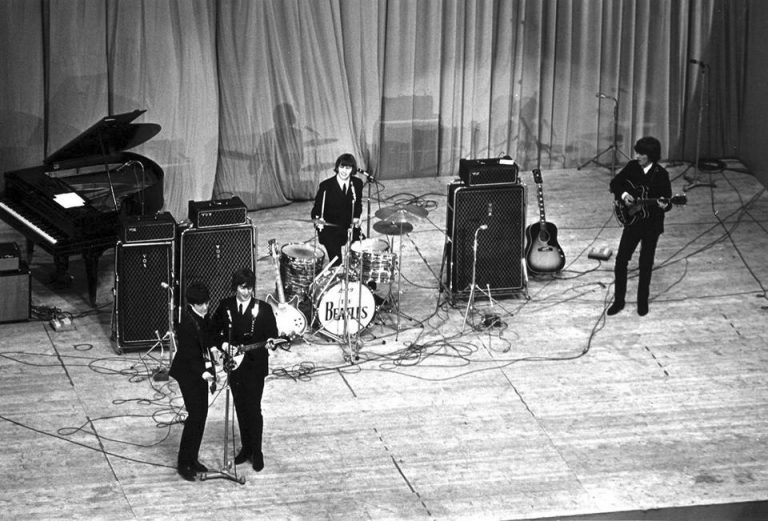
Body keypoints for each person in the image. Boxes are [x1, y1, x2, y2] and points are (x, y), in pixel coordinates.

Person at [211, 267, 278, 471]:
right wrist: (223, 345)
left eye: (249, 288)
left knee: (254, 409)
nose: (246, 292)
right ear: (235, 287)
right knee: (240, 407)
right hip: (234, 366)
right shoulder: (225, 307)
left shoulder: (264, 309)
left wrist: (271, 343)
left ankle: (257, 451)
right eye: (242, 288)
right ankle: (246, 448)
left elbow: (272, 334)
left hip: (255, 366)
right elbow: (213, 332)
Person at [607, 136, 673, 317]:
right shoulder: (632, 167)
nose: (637, 156)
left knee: (646, 263)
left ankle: (642, 302)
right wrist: (624, 195)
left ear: (650, 156)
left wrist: (665, 205)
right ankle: (618, 301)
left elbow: (668, 202)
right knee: (621, 261)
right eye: (637, 152)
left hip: (652, 225)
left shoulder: (661, 175)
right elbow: (615, 184)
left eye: (641, 154)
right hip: (632, 223)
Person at [169, 281, 216, 481]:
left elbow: (207, 343)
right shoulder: (187, 324)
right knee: (195, 416)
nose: (204, 307)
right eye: (200, 304)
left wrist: (214, 358)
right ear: (191, 304)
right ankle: (183, 462)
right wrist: (205, 373)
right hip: (188, 373)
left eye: (206, 303)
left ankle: (193, 458)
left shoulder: (204, 317)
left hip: (201, 371)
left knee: (201, 415)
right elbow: (189, 355)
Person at [310, 153, 364, 267]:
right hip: (331, 230)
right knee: (337, 264)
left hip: (349, 227)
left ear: (352, 169)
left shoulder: (357, 184)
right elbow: (316, 210)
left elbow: (358, 204)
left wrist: (357, 217)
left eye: (348, 168)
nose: (344, 171)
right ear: (337, 167)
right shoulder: (326, 186)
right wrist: (318, 221)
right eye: (341, 167)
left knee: (364, 253)